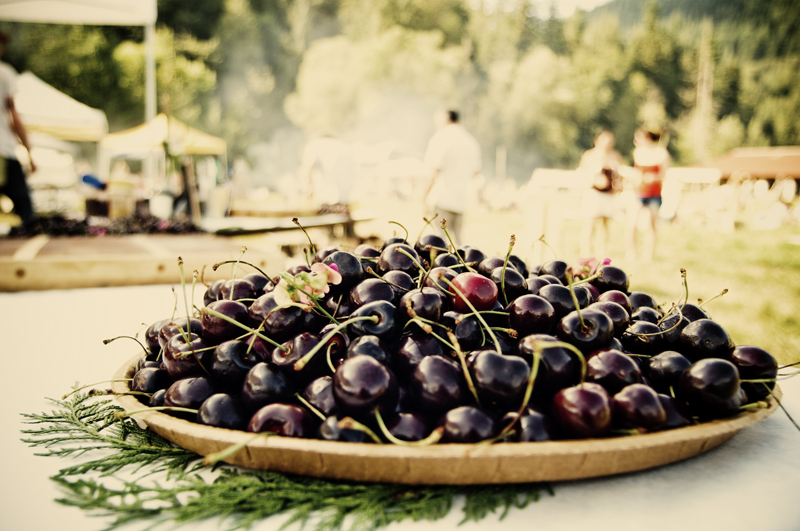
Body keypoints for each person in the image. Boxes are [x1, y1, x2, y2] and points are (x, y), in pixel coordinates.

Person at [423, 110, 481, 244]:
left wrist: (423, 198)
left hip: (442, 200)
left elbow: (433, 171)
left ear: (445, 119)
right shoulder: (470, 141)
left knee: (439, 244)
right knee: (458, 245)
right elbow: (476, 174)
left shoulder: (441, 138)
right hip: (461, 201)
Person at [0, 31, 36, 223]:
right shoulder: (4, 73)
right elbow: (14, 119)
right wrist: (30, 154)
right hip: (3, 151)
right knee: (25, 209)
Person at [626, 128, 670, 262]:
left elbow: (664, 173)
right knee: (631, 223)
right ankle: (631, 252)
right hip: (639, 192)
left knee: (652, 225)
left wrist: (654, 177)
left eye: (638, 138)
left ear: (648, 139)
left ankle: (648, 255)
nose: (635, 141)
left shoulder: (662, 153)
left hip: (655, 193)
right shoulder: (638, 153)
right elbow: (637, 172)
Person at [579, 130, 622, 258]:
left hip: (608, 194)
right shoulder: (590, 155)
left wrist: (618, 185)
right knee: (589, 223)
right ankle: (585, 251)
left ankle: (602, 251)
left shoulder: (615, 155)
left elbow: (618, 174)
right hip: (593, 192)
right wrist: (594, 180)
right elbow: (582, 172)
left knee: (604, 224)